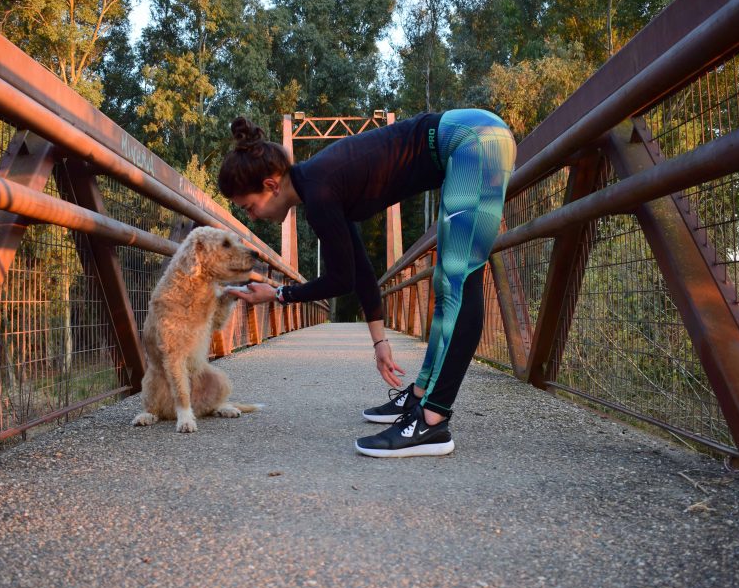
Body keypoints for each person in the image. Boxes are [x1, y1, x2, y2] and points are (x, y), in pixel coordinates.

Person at [218, 110, 516, 457]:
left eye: (249, 207)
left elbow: (339, 280)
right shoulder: (318, 183)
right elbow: (358, 271)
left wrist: (279, 294)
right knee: (447, 282)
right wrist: (380, 344)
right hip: (471, 139)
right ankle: (421, 396)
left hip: (475, 140)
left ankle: (432, 422)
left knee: (458, 280)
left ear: (270, 185)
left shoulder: (319, 192)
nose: (253, 216)